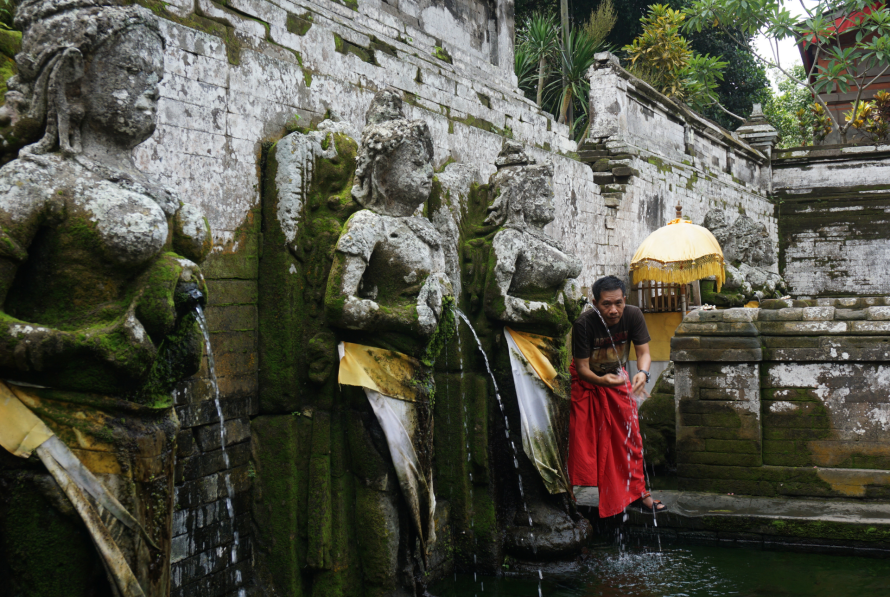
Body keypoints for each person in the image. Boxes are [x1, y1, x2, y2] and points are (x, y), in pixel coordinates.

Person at [568, 275, 667, 517]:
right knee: (582, 441)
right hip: (588, 382)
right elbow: (582, 368)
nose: (613, 310)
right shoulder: (584, 324)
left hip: (617, 379)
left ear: (625, 300)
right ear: (595, 302)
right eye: (606, 305)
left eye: (618, 303)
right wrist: (601, 381)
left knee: (631, 437)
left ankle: (638, 493)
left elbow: (644, 353)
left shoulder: (633, 315)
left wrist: (642, 373)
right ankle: (568, 496)